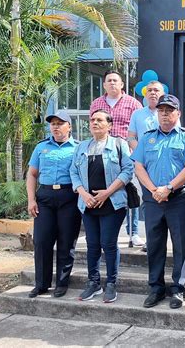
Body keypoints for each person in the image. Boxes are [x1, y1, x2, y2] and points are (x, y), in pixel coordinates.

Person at [132, 94, 185, 310]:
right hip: (153, 200)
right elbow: (139, 166)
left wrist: (168, 188)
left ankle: (178, 288)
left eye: (169, 110)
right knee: (154, 245)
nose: (165, 114)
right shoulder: (148, 137)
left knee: (180, 245)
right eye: (161, 110)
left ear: (178, 113)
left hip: (178, 199)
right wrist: (153, 190)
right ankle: (156, 288)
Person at [70, 110, 134, 303]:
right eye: (92, 120)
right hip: (88, 203)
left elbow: (128, 171)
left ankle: (112, 283)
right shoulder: (82, 146)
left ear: (110, 125)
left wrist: (107, 192)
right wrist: (83, 193)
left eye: (99, 120)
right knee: (92, 245)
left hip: (113, 203)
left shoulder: (119, 144)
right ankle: (94, 282)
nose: (95, 123)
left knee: (108, 242)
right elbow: (73, 171)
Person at [26, 111, 82, 298]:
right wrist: (31, 199)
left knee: (66, 241)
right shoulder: (41, 147)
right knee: (42, 241)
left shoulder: (78, 148)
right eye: (53, 123)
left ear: (69, 126)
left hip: (69, 196)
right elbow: (32, 174)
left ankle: (61, 283)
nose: (55, 126)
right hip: (45, 197)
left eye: (60, 123)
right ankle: (41, 284)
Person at [90, 70, 145, 247]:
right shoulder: (97, 103)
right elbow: (93, 125)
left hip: (126, 150)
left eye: (116, 80)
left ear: (122, 84)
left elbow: (137, 127)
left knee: (130, 189)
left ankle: (134, 231)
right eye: (109, 81)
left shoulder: (133, 103)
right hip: (102, 150)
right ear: (104, 85)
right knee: (105, 186)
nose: (112, 83)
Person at [128, 80, 166, 250]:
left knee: (164, 201)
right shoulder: (137, 114)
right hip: (143, 165)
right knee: (149, 200)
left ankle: (162, 238)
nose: (152, 93)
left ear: (162, 93)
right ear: (144, 94)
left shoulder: (168, 112)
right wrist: (141, 153)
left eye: (156, 90)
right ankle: (150, 240)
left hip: (164, 164)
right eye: (149, 90)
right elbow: (131, 138)